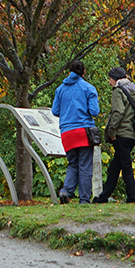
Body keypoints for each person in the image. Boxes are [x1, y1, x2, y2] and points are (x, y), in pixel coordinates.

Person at [51, 60, 100, 204]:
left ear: (69, 72)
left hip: (67, 133)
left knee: (73, 163)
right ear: (83, 72)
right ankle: (84, 199)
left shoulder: (60, 89)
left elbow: (55, 111)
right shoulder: (88, 88)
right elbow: (94, 111)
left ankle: (66, 190)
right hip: (84, 131)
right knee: (85, 166)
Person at [94, 67, 135, 204]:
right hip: (132, 133)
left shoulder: (118, 91)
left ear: (115, 79)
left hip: (121, 133)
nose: (109, 83)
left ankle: (133, 198)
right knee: (115, 166)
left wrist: (111, 132)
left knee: (125, 166)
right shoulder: (134, 90)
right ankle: (104, 196)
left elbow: (118, 112)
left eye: (110, 79)